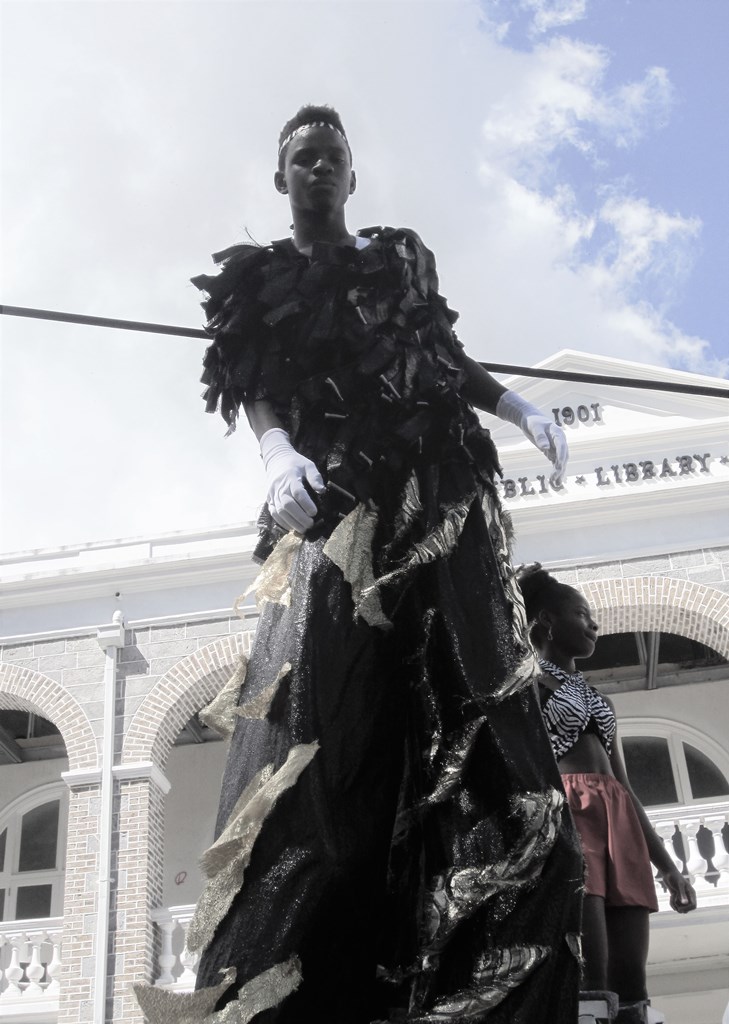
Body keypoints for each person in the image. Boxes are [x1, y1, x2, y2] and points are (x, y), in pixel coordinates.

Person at [136, 105, 583, 1024]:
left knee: (474, 703)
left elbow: (439, 358)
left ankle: (482, 957)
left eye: (332, 157)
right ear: (280, 179)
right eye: (302, 158)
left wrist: (512, 406)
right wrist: (275, 456)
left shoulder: (398, 262)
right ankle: (301, 960)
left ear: (352, 174)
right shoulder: (260, 281)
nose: (319, 169)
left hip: (436, 489)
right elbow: (255, 380)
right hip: (337, 495)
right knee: (322, 713)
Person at [516, 564, 697, 1024]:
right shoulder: (528, 685)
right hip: (572, 818)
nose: (594, 624)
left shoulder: (601, 699)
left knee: (632, 978)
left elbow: (626, 787)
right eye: (582, 614)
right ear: (548, 621)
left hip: (619, 821)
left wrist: (670, 867)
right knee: (591, 974)